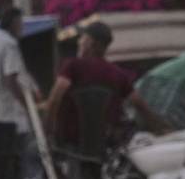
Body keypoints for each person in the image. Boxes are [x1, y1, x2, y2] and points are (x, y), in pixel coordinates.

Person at [41, 21, 163, 156]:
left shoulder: (72, 67)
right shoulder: (118, 74)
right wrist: (164, 129)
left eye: (82, 38)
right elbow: (141, 106)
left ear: (90, 42)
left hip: (72, 146)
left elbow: (54, 100)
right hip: (106, 147)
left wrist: (46, 134)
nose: (79, 42)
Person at [0, 6, 40, 179]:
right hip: (10, 117)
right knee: (16, 167)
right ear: (14, 23)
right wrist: (28, 107)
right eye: (21, 23)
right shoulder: (9, 44)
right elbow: (11, 78)